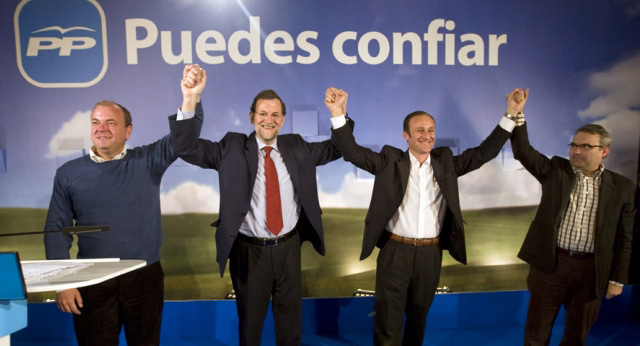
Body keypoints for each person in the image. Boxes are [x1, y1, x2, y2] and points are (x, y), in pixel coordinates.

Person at [326, 87, 527, 345]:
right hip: (395, 253)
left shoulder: (446, 163)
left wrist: (511, 114)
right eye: (419, 130)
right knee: (388, 322)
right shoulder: (389, 160)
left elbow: (483, 153)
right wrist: (337, 114)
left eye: (431, 130)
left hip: (430, 255)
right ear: (406, 136)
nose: (427, 135)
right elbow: (352, 152)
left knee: (419, 320)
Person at [168, 86, 346, 345]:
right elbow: (185, 147)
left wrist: (338, 113)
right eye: (263, 114)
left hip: (288, 248)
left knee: (290, 326)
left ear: (283, 120)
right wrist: (188, 99)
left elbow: (336, 149)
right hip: (249, 252)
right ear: (252, 116)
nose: (269, 120)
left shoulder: (296, 146)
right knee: (251, 327)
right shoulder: (231, 147)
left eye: (275, 115)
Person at [44, 64, 206, 345]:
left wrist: (190, 97)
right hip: (92, 280)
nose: (101, 129)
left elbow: (183, 139)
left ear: (128, 131)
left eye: (110, 123)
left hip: (144, 278)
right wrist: (64, 282)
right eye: (96, 122)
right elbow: (57, 230)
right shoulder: (68, 173)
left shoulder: (148, 160)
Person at [510, 90, 635, 345]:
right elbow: (523, 150)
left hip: (592, 270)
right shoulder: (556, 170)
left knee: (578, 334)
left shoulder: (621, 187)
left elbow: (625, 237)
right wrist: (517, 113)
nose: (577, 151)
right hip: (551, 266)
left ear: (605, 151)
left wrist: (617, 279)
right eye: (574, 145)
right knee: (536, 334)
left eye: (585, 146)